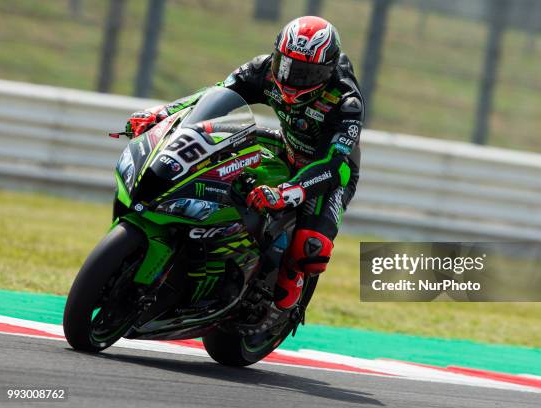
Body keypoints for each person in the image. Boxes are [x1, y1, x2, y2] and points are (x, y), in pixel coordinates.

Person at [126, 16, 364, 310]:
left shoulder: (346, 101)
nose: (291, 79)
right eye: (286, 65)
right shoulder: (262, 69)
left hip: (329, 169)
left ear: (327, 71)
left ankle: (281, 293)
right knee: (215, 145)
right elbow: (213, 96)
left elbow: (333, 164)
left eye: (305, 73)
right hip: (284, 145)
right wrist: (162, 113)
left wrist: (287, 192)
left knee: (309, 250)